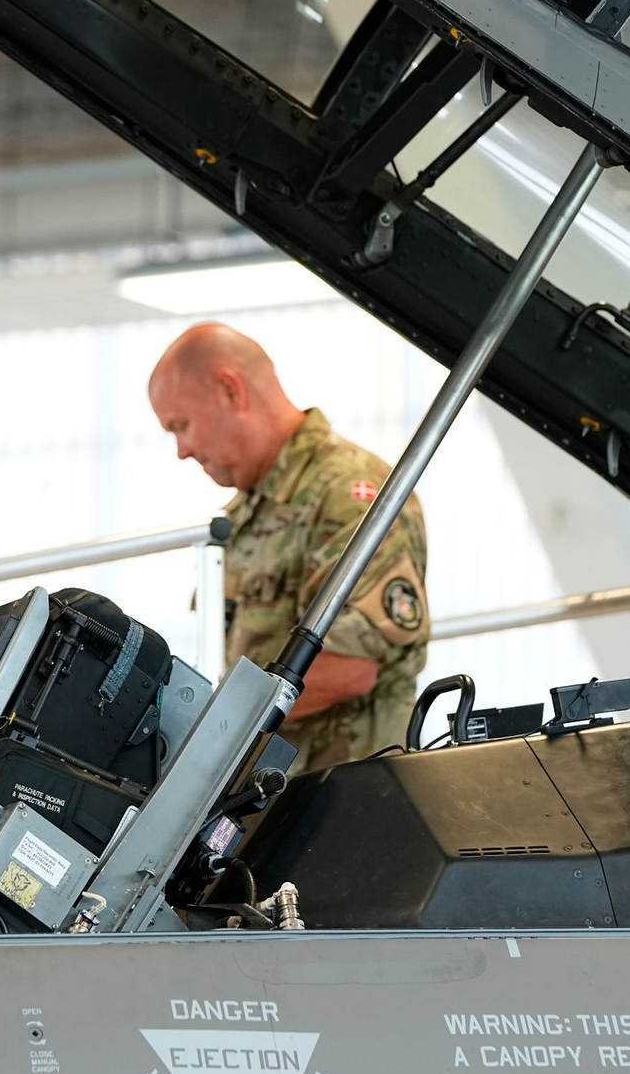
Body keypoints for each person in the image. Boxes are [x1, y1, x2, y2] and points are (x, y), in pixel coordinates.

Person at [149, 323, 429, 773]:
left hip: (349, 791)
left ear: (230, 390)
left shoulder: (347, 492)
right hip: (277, 788)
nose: (182, 450)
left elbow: (349, 665)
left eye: (182, 425)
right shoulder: (245, 512)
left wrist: (211, 734)